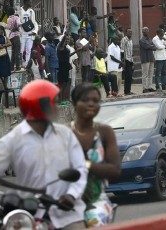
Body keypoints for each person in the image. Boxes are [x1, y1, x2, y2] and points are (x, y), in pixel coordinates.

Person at [0, 81, 88, 230]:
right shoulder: (13, 139)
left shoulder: (65, 135)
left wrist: (71, 195)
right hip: (30, 215)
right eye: (54, 103)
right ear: (41, 106)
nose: (57, 108)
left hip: (68, 215)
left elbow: (80, 169)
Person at [70, 84, 121, 227]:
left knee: (96, 221)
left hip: (96, 200)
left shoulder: (105, 132)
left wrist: (84, 165)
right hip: (67, 201)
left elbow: (115, 170)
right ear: (74, 103)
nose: (91, 104)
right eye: (85, 100)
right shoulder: (65, 133)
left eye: (96, 100)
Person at [0, 25, 13, 106]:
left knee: (6, 72)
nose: (0, 31)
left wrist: (3, 45)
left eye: (2, 30)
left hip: (5, 56)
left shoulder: (5, 37)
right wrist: (5, 45)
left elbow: (10, 43)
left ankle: (5, 85)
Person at [20, 0, 39, 65]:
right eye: (30, 2)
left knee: (28, 50)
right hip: (22, 33)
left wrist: (35, 31)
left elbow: (34, 22)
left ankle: (27, 63)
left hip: (30, 33)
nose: (31, 3)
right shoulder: (20, 10)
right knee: (21, 50)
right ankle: (21, 63)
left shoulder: (31, 11)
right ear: (25, 2)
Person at [57, 35, 75, 101]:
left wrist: (77, 51)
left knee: (65, 83)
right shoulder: (60, 46)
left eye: (68, 39)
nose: (68, 40)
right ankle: (60, 99)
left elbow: (68, 56)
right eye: (66, 39)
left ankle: (63, 99)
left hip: (66, 66)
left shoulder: (66, 47)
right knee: (62, 84)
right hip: (62, 66)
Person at [139, 27, 155, 93]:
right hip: (145, 59)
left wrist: (150, 46)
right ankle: (144, 88)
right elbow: (146, 46)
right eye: (145, 31)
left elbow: (154, 46)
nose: (147, 32)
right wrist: (150, 46)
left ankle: (149, 86)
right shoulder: (141, 40)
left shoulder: (149, 39)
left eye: (147, 30)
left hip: (151, 58)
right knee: (145, 74)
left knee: (150, 74)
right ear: (143, 32)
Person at [120, 29, 134, 95]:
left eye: (131, 32)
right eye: (129, 32)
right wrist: (123, 61)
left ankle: (129, 90)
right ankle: (126, 91)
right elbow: (122, 50)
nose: (130, 33)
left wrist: (133, 61)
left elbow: (131, 52)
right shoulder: (124, 40)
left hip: (130, 60)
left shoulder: (131, 40)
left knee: (130, 76)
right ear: (126, 33)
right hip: (126, 60)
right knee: (127, 76)